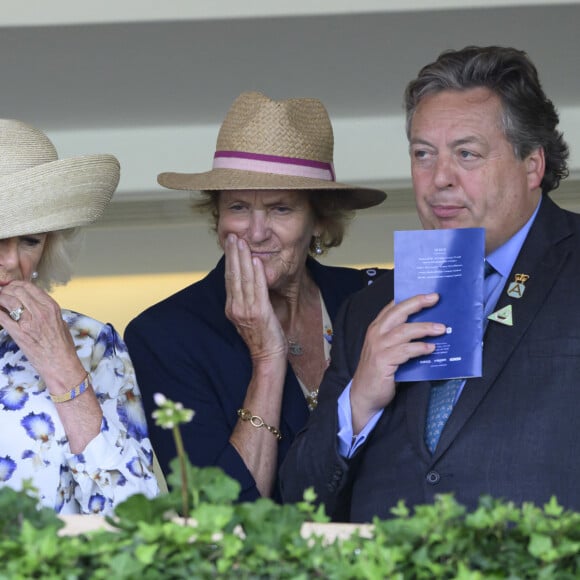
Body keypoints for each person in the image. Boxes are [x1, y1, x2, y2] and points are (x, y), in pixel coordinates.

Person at [279, 46, 579, 522]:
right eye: (423, 154)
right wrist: (357, 403)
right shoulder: (370, 307)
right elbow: (300, 501)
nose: (439, 178)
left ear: (532, 165)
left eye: (467, 154)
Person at [124, 91, 387, 501]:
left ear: (318, 221)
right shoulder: (164, 335)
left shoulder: (369, 298)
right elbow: (220, 512)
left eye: (281, 209)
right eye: (239, 207)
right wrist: (268, 361)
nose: (257, 231)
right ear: (218, 219)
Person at [0, 119, 159, 514]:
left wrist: (61, 366)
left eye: (30, 240)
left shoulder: (91, 342)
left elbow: (134, 511)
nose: (11, 262)